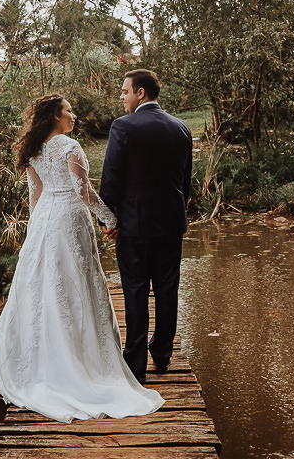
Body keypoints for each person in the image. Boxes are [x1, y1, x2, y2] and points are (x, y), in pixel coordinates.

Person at [0, 94, 163, 423]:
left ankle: (45, 360)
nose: (74, 116)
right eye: (69, 111)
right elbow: (84, 192)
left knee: (47, 286)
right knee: (77, 282)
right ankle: (83, 363)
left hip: (44, 220)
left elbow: (35, 195)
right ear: (56, 116)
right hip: (70, 219)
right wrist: (110, 219)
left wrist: (34, 231)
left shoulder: (33, 149)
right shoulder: (70, 147)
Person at [99, 69, 193, 382]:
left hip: (134, 226)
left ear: (141, 93)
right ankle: (163, 355)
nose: (121, 97)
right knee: (167, 290)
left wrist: (108, 219)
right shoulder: (181, 127)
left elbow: (111, 178)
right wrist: (176, 213)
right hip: (171, 224)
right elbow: (185, 182)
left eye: (125, 91)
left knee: (135, 291)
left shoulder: (123, 126)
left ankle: (136, 363)